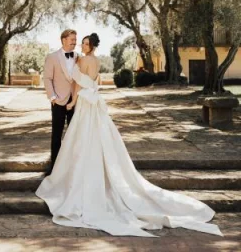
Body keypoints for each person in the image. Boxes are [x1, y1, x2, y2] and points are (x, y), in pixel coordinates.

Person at [36, 32, 222, 237]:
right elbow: (68, 79)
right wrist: (56, 97)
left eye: (83, 42)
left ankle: (71, 174)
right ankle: (64, 169)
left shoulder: (83, 59)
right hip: (87, 101)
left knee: (77, 139)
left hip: (81, 102)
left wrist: (73, 100)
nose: (79, 44)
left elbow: (80, 82)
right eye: (77, 41)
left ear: (90, 46)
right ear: (64, 41)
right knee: (79, 138)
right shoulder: (88, 59)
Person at [43, 29, 77, 176]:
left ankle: (72, 166)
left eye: (76, 40)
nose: (75, 42)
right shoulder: (52, 57)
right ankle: (54, 167)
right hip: (58, 101)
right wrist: (52, 97)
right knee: (56, 134)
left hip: (75, 101)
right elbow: (47, 79)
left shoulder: (77, 57)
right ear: (63, 40)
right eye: (72, 40)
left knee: (74, 135)